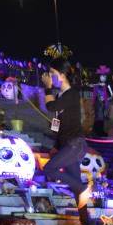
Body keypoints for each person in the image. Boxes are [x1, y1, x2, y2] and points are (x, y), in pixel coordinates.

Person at [42, 57, 92, 213]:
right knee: (75, 186)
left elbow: (51, 107)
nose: (50, 76)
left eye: (53, 73)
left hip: (75, 144)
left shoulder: (72, 94)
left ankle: (82, 188)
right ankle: (86, 220)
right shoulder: (61, 96)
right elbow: (57, 121)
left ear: (62, 75)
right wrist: (56, 145)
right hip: (67, 145)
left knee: (49, 169)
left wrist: (47, 88)